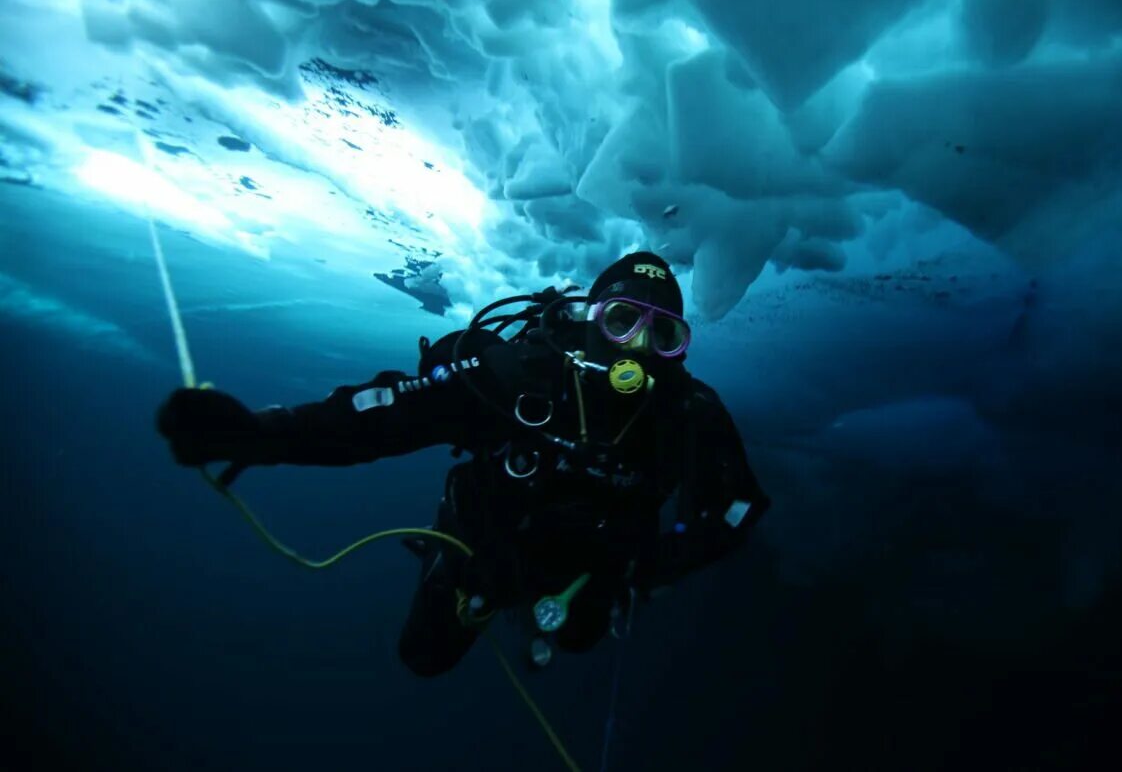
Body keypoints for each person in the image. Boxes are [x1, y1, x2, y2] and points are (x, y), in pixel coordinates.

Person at [157, 251, 770, 677]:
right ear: (589, 321)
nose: (637, 348)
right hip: (486, 547)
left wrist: (650, 567)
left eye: (663, 336)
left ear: (679, 348)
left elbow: (739, 508)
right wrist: (262, 433)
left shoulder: (688, 411)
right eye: (620, 320)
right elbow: (389, 414)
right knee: (423, 657)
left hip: (598, 569)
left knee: (578, 639)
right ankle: (465, 580)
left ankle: (550, 609)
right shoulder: (524, 376)